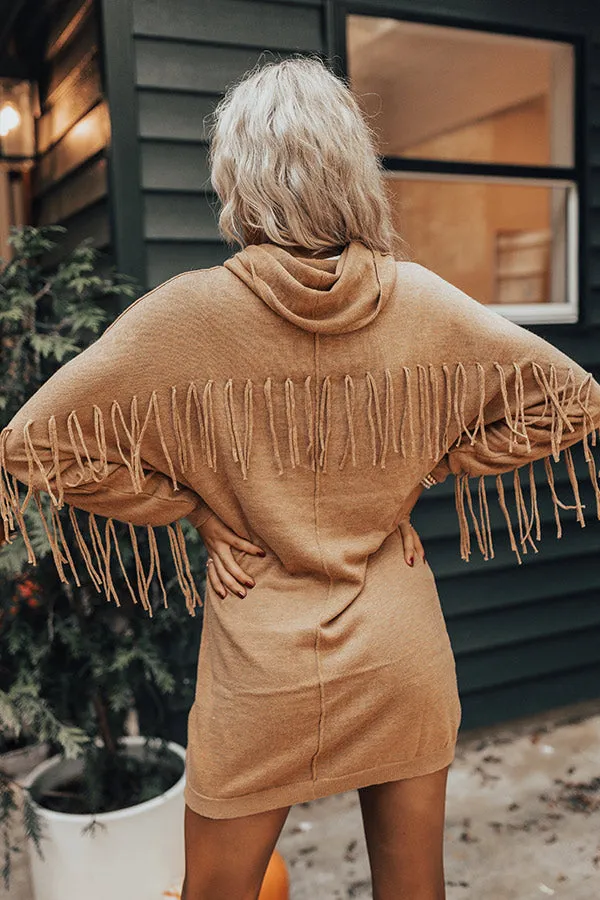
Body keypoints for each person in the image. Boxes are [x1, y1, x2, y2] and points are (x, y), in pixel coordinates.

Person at [2, 54, 600, 900]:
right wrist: (440, 458)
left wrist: (189, 510)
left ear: (236, 177)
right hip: (401, 647)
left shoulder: (188, 314)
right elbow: (574, 402)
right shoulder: (424, 303)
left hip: (261, 657)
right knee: (413, 891)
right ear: (353, 169)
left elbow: (34, 444)